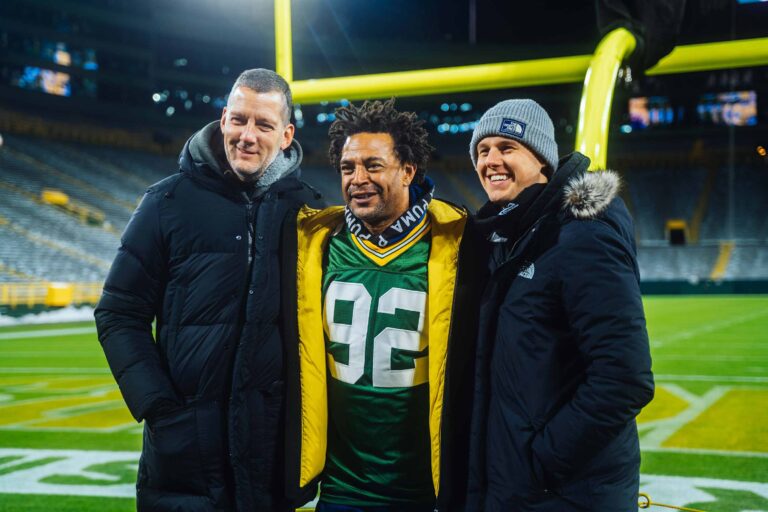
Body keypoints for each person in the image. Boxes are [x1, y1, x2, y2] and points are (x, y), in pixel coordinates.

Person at [94, 68, 320, 512]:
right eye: (239, 119)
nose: (247, 135)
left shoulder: (308, 211)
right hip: (185, 448)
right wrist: (159, 406)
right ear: (222, 119)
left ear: (286, 135)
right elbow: (119, 313)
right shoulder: (166, 202)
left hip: (270, 447)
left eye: (264, 124)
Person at [279, 99, 485, 512]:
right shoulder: (315, 242)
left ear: (408, 171)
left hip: (426, 492)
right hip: (340, 488)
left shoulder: (461, 243)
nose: (358, 179)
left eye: (373, 166)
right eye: (348, 168)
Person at [466, 99, 654, 511]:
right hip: (522, 489)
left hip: (564, 493)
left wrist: (542, 462)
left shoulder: (583, 234)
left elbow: (624, 378)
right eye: (482, 150)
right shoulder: (509, 235)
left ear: (543, 160)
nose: (490, 160)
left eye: (507, 147)